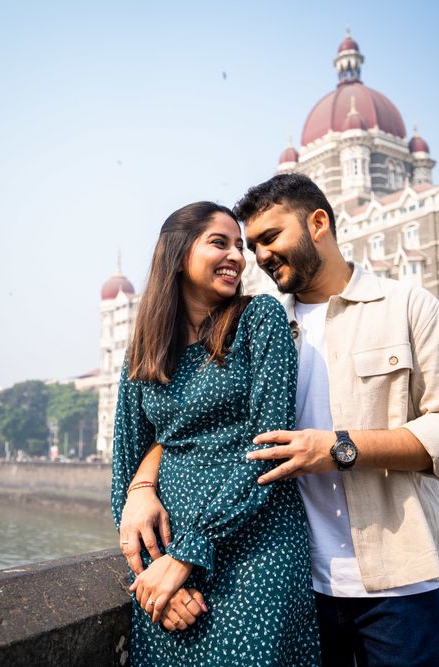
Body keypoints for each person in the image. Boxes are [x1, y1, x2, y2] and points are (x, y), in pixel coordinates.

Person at [125, 175, 439, 666]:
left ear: (318, 224)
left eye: (269, 238)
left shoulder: (407, 307)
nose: (259, 256)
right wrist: (141, 485)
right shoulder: (257, 323)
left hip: (393, 574)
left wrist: (339, 449)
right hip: (293, 577)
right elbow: (195, 426)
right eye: (252, 246)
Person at [111, 201, 319, 665]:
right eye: (219, 243)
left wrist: (186, 555)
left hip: (254, 549)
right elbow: (125, 469)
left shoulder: (257, 320)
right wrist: (154, 575)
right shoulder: (143, 353)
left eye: (239, 246)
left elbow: (270, 452)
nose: (237, 257)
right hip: (169, 570)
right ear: (178, 253)